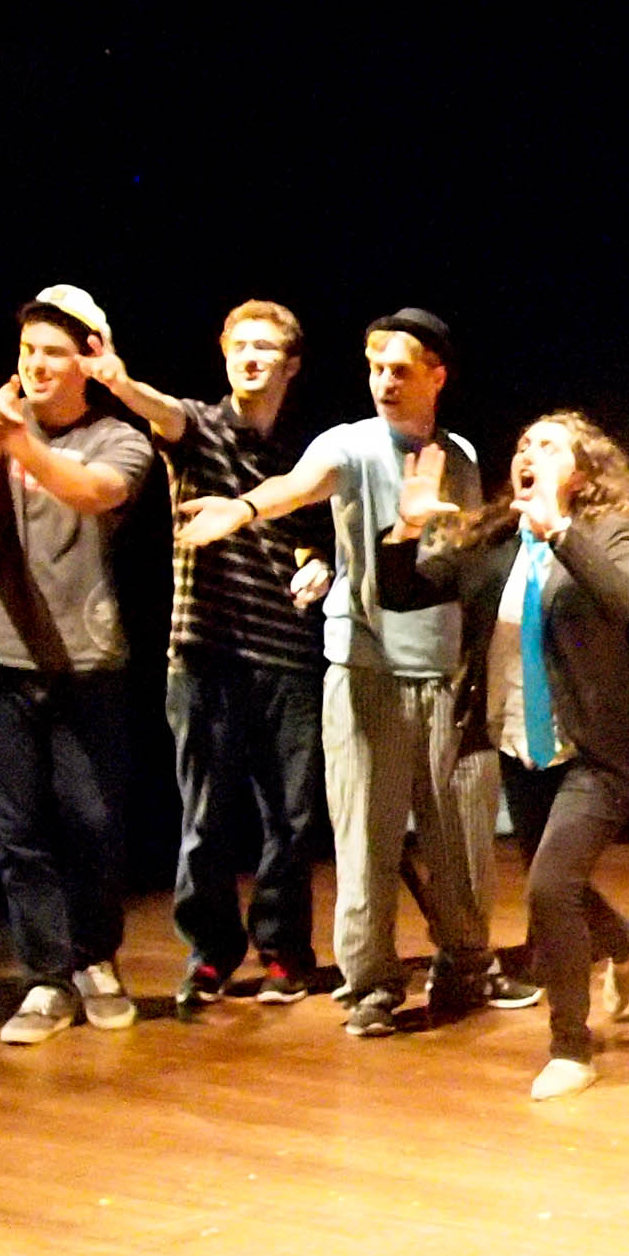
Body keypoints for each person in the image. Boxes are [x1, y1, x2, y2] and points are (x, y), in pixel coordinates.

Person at [179, 308, 508, 1041]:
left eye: (400, 370)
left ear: (436, 377)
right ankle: (371, 985)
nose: (384, 382)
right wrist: (242, 508)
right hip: (366, 670)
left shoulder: (458, 455)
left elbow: (467, 563)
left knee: (459, 839)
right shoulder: (349, 444)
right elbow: (297, 486)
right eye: (375, 368)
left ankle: (465, 963)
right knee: (367, 838)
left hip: (444, 671)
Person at [422, 413, 629, 1100]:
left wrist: (560, 531)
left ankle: (572, 1047)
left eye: (547, 445)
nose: (528, 453)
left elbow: (627, 599)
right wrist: (409, 528)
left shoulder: (607, 529)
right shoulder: (495, 537)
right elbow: (411, 587)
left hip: (599, 747)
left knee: (547, 891)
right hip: (521, 742)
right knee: (557, 880)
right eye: (522, 445)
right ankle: (621, 938)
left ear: (582, 470)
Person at [92, 302, 335, 1009]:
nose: (251, 358)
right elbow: (164, 412)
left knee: (291, 818)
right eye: (240, 346)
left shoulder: (305, 454)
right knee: (206, 817)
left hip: (287, 653)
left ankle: (284, 950)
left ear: (292, 365)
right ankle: (210, 954)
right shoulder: (199, 427)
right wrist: (119, 383)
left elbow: (318, 534)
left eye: (266, 348)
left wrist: (320, 566)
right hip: (205, 653)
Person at [0, 285, 161, 1049]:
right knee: (19, 829)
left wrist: (26, 445)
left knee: (91, 820)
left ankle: (95, 959)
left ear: (86, 363)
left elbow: (92, 493)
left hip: (86, 658)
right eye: (28, 350)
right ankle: (46, 976)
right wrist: (2, 425)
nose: (36, 365)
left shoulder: (119, 439)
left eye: (53, 353)